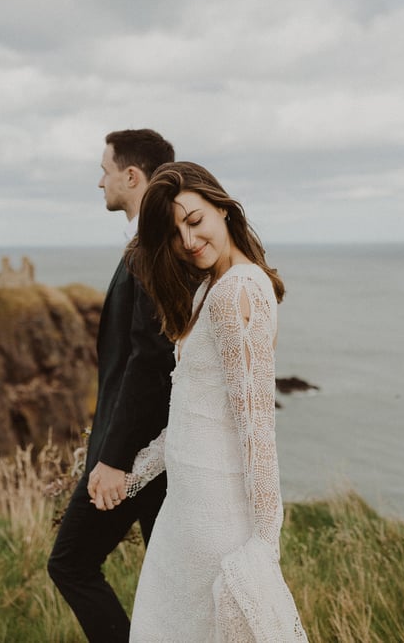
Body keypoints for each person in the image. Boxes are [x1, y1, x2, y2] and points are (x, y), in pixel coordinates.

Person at [117, 161, 308, 641]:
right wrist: (130, 475)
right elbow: (196, 416)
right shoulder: (209, 288)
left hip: (217, 520)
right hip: (186, 514)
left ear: (222, 207)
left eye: (194, 220)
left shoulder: (238, 291)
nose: (186, 240)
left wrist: (266, 543)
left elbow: (257, 427)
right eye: (175, 230)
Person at [48, 129, 176, 642]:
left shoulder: (150, 250)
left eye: (104, 170)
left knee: (71, 563)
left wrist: (114, 458)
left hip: (134, 454)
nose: (99, 181)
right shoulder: (149, 245)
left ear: (131, 176)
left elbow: (150, 361)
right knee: (171, 581)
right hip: (152, 450)